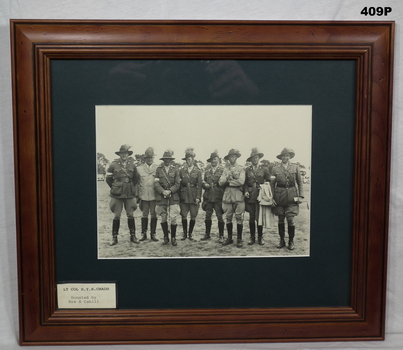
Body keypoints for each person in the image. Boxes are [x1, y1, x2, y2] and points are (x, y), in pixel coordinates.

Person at [105, 144, 140, 246]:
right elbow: (108, 179)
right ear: (119, 154)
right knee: (117, 216)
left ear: (128, 154)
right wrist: (115, 187)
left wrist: (130, 186)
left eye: (126, 153)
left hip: (129, 193)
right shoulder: (113, 165)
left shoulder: (132, 165)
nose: (124, 155)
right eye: (122, 153)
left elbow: (136, 178)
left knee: (130, 215)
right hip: (117, 194)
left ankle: (133, 236)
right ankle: (114, 237)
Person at [271, 148, 304, 250]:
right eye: (283, 156)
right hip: (279, 197)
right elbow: (272, 185)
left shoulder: (295, 167)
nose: (285, 157)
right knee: (281, 219)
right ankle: (281, 240)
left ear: (290, 157)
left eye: (287, 156)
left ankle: (291, 241)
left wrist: (301, 196)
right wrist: (271, 198)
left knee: (290, 219)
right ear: (280, 157)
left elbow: (300, 183)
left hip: (292, 196)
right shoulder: (275, 169)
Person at [219, 149, 246, 247]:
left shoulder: (241, 168)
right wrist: (226, 179)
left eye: (234, 156)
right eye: (230, 157)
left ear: (236, 157)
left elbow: (241, 181)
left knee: (239, 217)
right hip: (227, 196)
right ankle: (229, 237)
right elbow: (220, 182)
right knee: (228, 217)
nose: (232, 158)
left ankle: (239, 239)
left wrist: (229, 182)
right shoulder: (225, 169)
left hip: (238, 196)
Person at [244, 148, 271, 245]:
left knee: (259, 218)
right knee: (251, 217)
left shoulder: (264, 169)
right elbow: (245, 183)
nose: (255, 159)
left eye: (256, 157)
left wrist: (264, 187)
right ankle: (252, 237)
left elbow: (269, 181)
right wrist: (246, 191)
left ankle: (260, 237)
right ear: (251, 160)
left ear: (259, 158)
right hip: (250, 196)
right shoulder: (247, 170)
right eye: (253, 158)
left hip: (260, 196)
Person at [154, 150, 181, 246]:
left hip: (173, 197)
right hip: (162, 197)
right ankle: (166, 237)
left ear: (171, 160)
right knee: (163, 217)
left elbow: (178, 184)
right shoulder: (158, 169)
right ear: (163, 159)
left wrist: (170, 191)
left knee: (173, 217)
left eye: (168, 159)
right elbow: (156, 183)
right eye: (165, 159)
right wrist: (163, 191)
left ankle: (173, 237)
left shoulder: (175, 170)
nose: (167, 161)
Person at [179, 148, 202, 241]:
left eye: (189, 159)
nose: (187, 161)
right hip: (184, 195)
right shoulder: (181, 171)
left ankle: (190, 233)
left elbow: (199, 186)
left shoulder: (198, 171)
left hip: (193, 195)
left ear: (193, 160)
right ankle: (184, 233)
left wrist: (198, 198)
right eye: (186, 160)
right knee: (183, 215)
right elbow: (179, 184)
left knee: (193, 215)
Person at [201, 151, 225, 242]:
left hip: (218, 197)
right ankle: (207, 234)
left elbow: (224, 182)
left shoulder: (222, 170)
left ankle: (221, 236)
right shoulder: (207, 171)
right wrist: (205, 184)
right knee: (207, 216)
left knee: (219, 216)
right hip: (208, 197)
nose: (213, 161)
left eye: (215, 159)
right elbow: (203, 182)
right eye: (212, 160)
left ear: (218, 160)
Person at [137, 147, 159, 242]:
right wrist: (138, 196)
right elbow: (137, 183)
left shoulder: (157, 168)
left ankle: (153, 234)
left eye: (151, 157)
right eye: (148, 157)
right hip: (144, 196)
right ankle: (144, 234)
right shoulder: (139, 169)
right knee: (144, 215)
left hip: (154, 196)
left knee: (154, 215)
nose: (150, 159)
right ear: (144, 158)